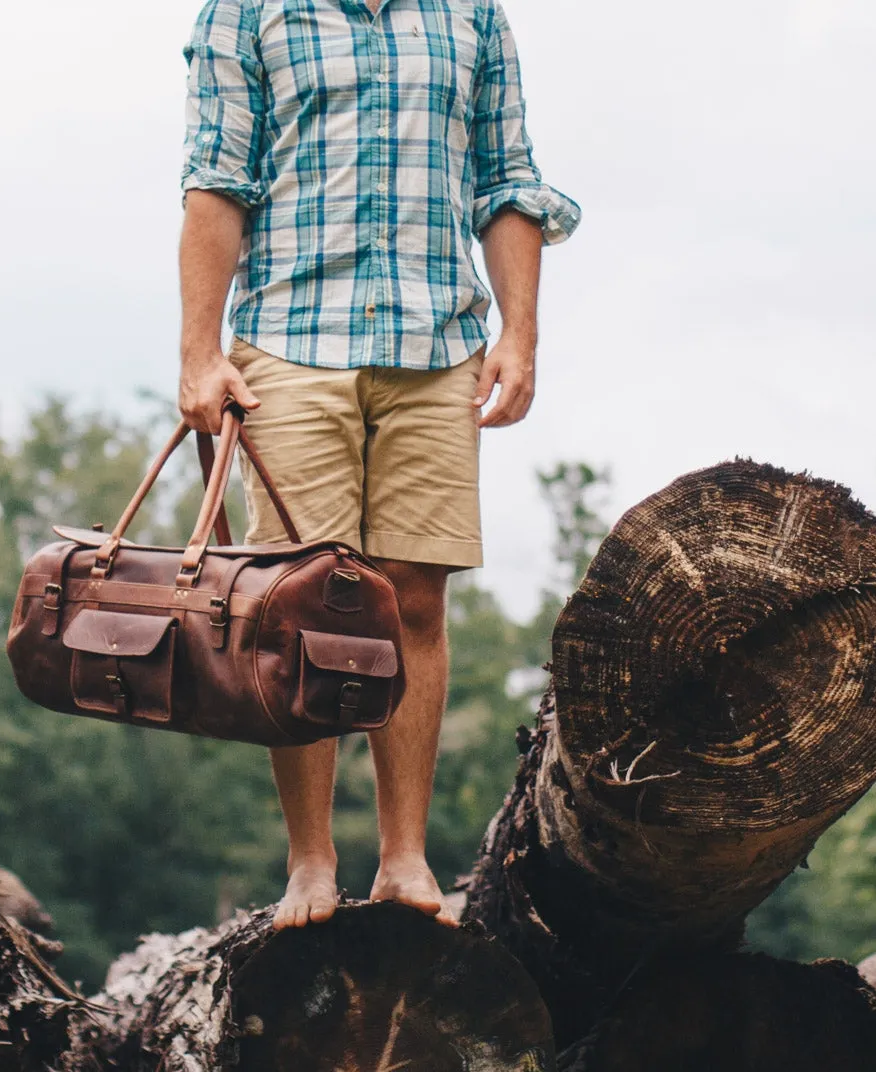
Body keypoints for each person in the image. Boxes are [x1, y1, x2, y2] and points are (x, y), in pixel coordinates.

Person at [177, 0, 579, 931]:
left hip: (438, 345)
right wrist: (201, 354)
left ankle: (405, 858)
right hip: (289, 338)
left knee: (414, 597)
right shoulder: (248, 13)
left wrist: (520, 334)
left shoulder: (472, 15)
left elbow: (509, 181)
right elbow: (216, 182)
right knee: (295, 603)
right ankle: (311, 861)